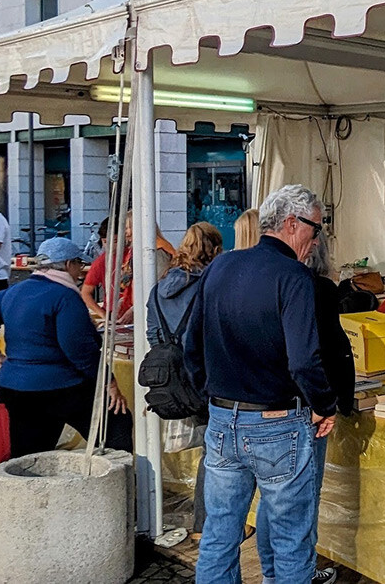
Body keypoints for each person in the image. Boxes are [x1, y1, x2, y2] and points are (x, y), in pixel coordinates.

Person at [184, 184, 338, 584]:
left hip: (224, 418)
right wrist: (325, 404)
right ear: (291, 224)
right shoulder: (294, 276)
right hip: (277, 421)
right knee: (290, 541)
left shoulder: (222, 266)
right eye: (315, 229)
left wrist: (211, 395)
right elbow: (304, 359)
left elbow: (190, 343)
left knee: (219, 535)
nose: (317, 239)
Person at [254, 236, 354, 584]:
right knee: (300, 499)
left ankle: (271, 572)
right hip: (305, 407)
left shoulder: (265, 280)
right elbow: (326, 351)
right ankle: (297, 573)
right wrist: (330, 403)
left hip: (269, 403)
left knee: (273, 497)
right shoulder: (318, 288)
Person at [0, 238, 131, 457]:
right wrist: (110, 382)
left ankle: (27, 490)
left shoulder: (14, 292)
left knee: (29, 455)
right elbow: (80, 351)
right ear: (68, 264)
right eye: (79, 263)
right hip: (60, 387)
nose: (81, 270)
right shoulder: (65, 297)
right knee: (117, 423)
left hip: (15, 386)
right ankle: (118, 481)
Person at [145, 222, 222, 542]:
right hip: (203, 378)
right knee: (215, 453)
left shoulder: (158, 288)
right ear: (215, 251)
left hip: (169, 379)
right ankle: (205, 524)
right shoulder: (209, 286)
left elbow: (152, 335)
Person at [81, 212, 177, 325]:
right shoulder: (132, 253)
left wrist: (133, 309)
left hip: (152, 314)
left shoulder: (157, 251)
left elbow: (156, 286)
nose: (126, 233)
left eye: (128, 228)